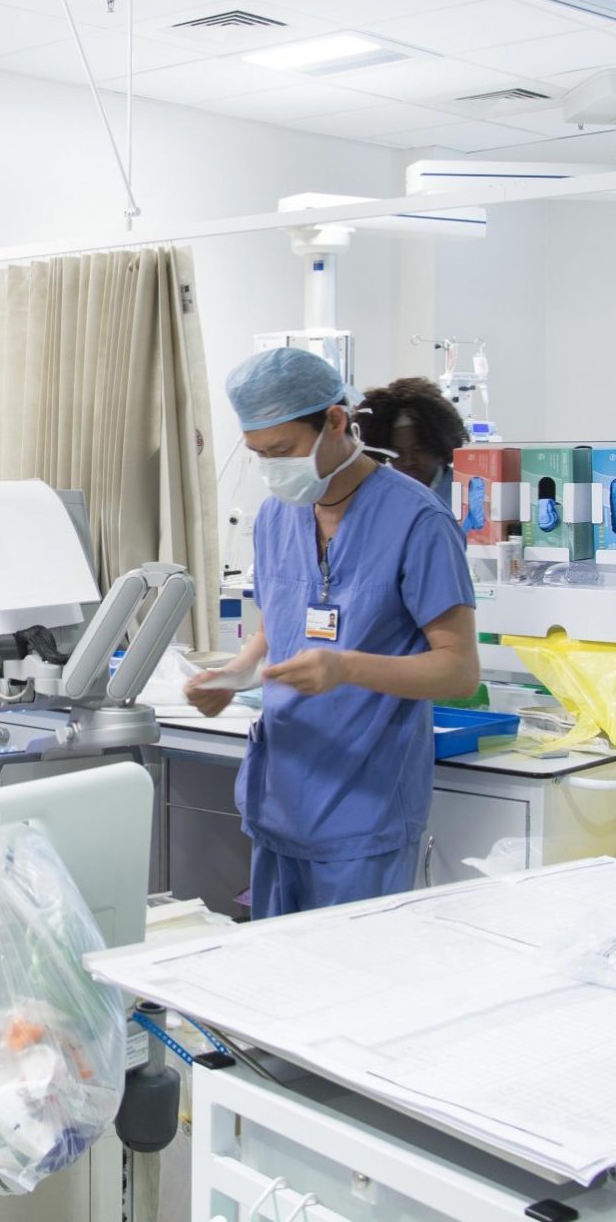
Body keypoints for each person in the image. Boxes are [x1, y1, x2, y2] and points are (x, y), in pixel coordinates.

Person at [188, 347, 478, 918]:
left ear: (336, 423)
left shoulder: (418, 522)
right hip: (282, 796)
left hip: (363, 807)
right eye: (259, 455)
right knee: (279, 989)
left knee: (351, 991)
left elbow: (459, 670)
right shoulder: (278, 516)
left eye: (283, 451)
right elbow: (283, 621)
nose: (273, 468)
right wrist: (237, 673)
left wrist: (345, 667)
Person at [355, 376, 469, 508]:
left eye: (418, 450)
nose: (408, 461)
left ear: (440, 446)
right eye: (398, 452)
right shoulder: (383, 497)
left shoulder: (465, 496)